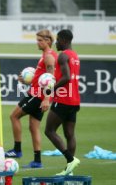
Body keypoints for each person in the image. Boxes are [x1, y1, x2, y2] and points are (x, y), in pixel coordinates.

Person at [5, 30, 57, 169]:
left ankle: (17, 150)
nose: (37, 42)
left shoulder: (49, 57)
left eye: (40, 40)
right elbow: (41, 77)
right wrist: (28, 81)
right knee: (34, 127)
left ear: (48, 41)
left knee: (14, 116)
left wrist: (46, 99)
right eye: (37, 40)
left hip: (37, 96)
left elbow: (50, 79)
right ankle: (37, 161)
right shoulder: (46, 55)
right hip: (37, 93)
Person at [44, 29, 80, 175]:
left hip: (63, 100)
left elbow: (66, 77)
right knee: (69, 134)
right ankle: (69, 170)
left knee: (49, 130)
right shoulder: (75, 56)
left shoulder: (62, 56)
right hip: (74, 100)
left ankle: (70, 159)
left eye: (57, 40)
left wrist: (50, 89)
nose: (56, 42)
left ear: (64, 40)